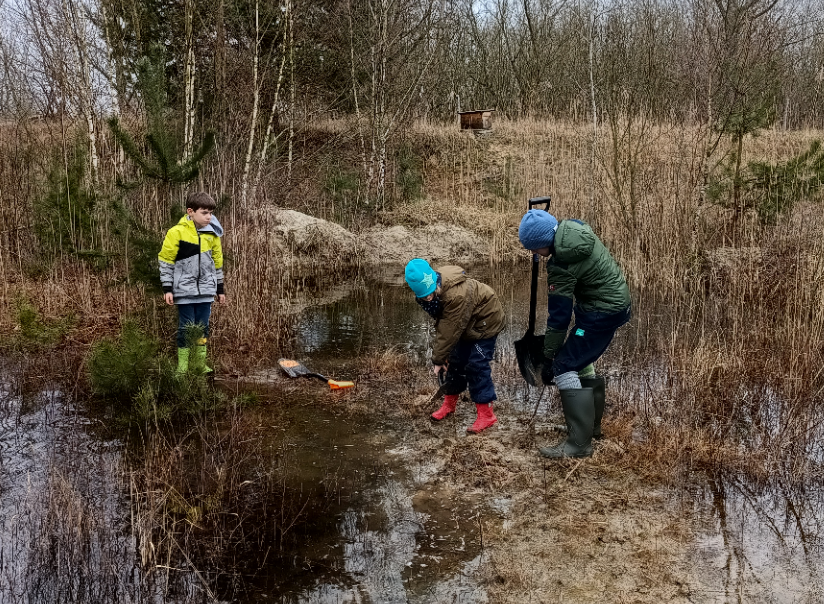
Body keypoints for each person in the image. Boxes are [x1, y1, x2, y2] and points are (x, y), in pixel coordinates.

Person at [518, 210, 631, 458]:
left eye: (535, 250)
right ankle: (590, 428)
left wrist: (549, 355)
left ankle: (579, 444)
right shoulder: (575, 228)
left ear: (543, 244)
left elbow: (559, 318)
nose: (535, 255)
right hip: (614, 304)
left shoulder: (562, 264)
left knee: (564, 366)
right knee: (581, 359)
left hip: (601, 312)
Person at [404, 259, 505, 434]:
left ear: (434, 280)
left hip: (486, 322)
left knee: (476, 365)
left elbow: (448, 330)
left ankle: (487, 415)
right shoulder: (431, 293)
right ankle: (449, 405)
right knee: (455, 360)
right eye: (424, 296)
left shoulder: (455, 296)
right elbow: (445, 324)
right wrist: (444, 356)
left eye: (430, 293)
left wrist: (437, 359)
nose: (428, 298)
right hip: (466, 324)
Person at [159, 191, 226, 374]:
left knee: (203, 328)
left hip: (206, 292)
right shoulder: (176, 233)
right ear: (190, 211)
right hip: (184, 291)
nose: (209, 217)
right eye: (204, 212)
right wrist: (167, 288)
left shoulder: (212, 235)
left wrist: (220, 290)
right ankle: (182, 366)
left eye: (211, 213)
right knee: (186, 329)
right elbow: (166, 261)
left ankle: (199, 363)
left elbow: (217, 264)